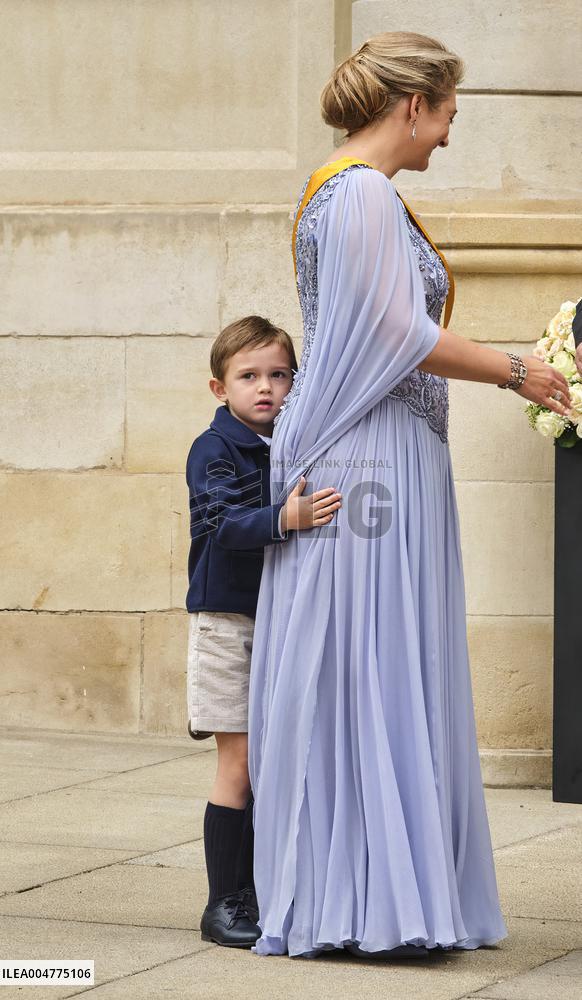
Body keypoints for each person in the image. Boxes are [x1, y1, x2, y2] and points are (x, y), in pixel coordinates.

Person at [248, 32, 572, 959]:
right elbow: (399, 334)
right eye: (447, 120)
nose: (446, 141)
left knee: (374, 660)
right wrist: (521, 370)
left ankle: (373, 891)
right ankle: (368, 904)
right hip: (368, 462)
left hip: (378, 452)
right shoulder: (360, 195)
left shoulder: (349, 195)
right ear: (413, 106)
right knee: (368, 661)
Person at [185, 315, 342, 948]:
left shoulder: (296, 441)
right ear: (219, 387)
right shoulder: (213, 448)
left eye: (280, 375)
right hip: (227, 621)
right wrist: (288, 517)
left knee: (277, 760)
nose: (266, 388)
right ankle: (224, 900)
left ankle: (268, 886)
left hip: (281, 620)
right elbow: (221, 526)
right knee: (241, 761)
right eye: (249, 376)